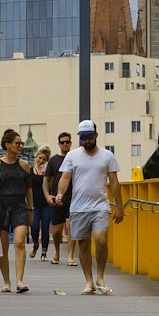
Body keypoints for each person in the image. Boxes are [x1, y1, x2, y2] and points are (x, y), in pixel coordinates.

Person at [55, 119, 124, 296]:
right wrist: (60, 193)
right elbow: (65, 178)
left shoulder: (107, 156)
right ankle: (89, 282)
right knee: (84, 245)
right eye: (83, 137)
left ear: (96, 136)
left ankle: (100, 276)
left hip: (100, 206)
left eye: (90, 137)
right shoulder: (72, 156)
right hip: (78, 207)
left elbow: (114, 182)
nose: (87, 140)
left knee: (101, 240)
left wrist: (119, 207)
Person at [0, 129, 36, 293]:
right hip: (1, 206)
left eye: (21, 143)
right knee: (3, 247)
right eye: (17, 143)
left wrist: (31, 209)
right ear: (7, 145)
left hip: (19, 206)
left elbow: (29, 189)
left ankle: (20, 281)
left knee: (19, 242)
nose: (20, 146)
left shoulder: (24, 165)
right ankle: (7, 281)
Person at [44, 131, 74, 267]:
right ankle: (56, 252)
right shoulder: (53, 160)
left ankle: (70, 256)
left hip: (73, 197)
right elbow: (46, 180)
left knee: (71, 227)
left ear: (71, 143)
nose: (65, 144)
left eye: (67, 142)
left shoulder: (75, 158)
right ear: (59, 144)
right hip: (57, 198)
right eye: (62, 142)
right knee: (56, 230)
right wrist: (48, 195)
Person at [30, 145, 53, 260]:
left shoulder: (47, 172)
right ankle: (35, 244)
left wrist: (47, 177)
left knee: (45, 226)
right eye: (40, 158)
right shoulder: (30, 171)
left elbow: (51, 186)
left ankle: (44, 252)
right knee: (34, 227)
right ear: (36, 157)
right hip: (34, 203)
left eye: (44, 159)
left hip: (45, 203)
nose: (41, 161)